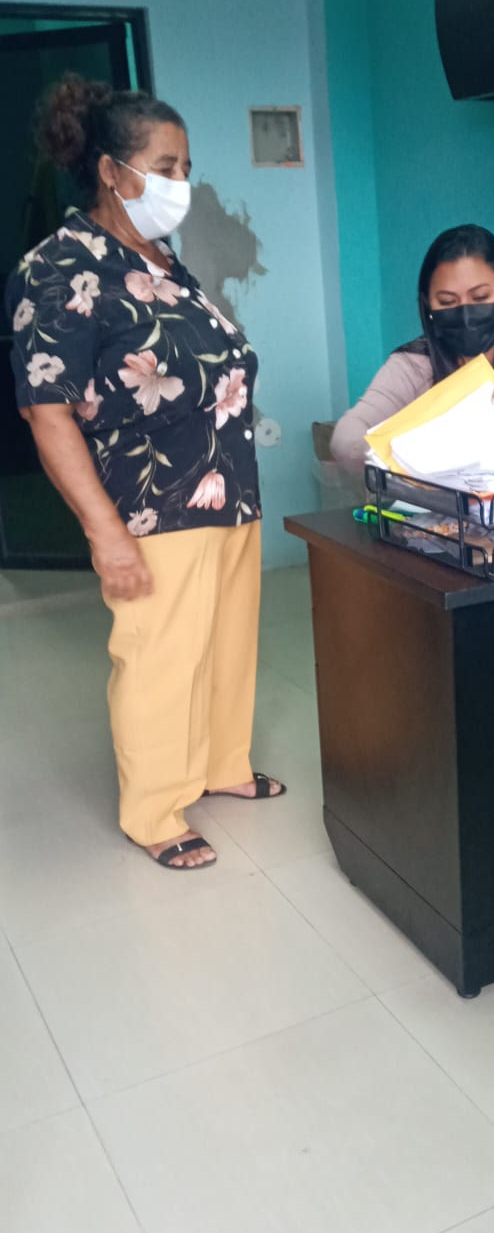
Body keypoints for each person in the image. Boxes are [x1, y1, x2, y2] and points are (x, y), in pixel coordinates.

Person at [6, 75, 284, 870]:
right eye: (165, 167)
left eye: (185, 166)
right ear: (110, 170)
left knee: (224, 645)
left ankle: (220, 764)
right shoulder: (59, 268)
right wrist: (105, 534)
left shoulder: (162, 261)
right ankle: (155, 810)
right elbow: (47, 412)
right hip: (152, 501)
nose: (180, 183)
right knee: (161, 657)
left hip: (227, 491)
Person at [331, 224, 494, 468]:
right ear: (428, 307)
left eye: (480, 297)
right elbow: (346, 438)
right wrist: (399, 462)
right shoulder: (412, 365)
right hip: (440, 501)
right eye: (447, 302)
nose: (466, 313)